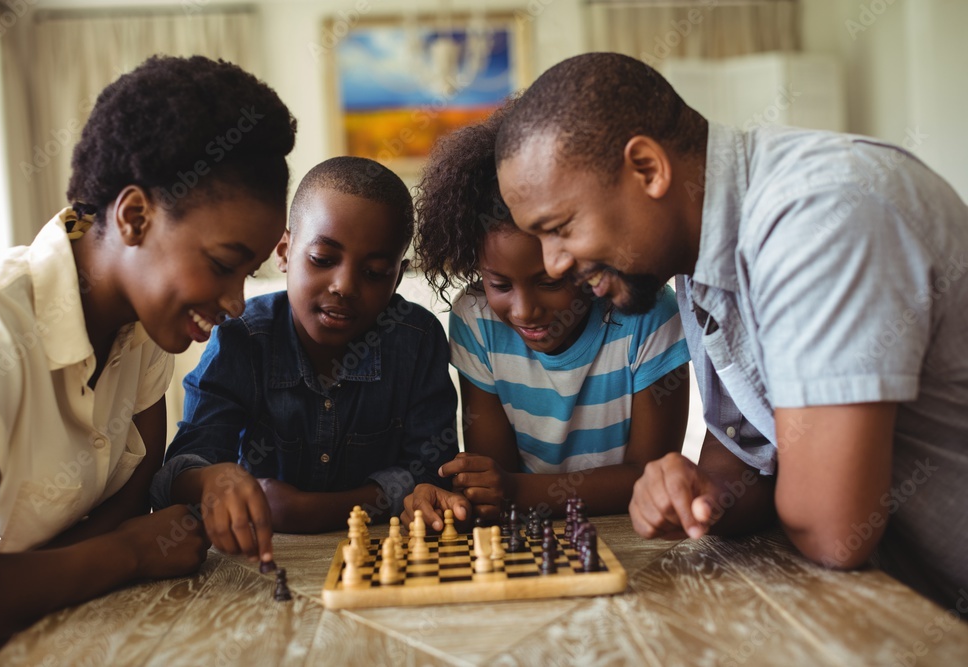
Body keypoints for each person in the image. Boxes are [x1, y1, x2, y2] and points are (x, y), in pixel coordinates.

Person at [493, 52, 968, 608]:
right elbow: (743, 457)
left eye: (561, 228)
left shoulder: (818, 217)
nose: (552, 264)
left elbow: (834, 531)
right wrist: (700, 494)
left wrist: (772, 489)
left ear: (647, 168)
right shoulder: (699, 260)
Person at [0, 55, 296, 649]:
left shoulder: (144, 332)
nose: (237, 302)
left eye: (248, 274)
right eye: (223, 265)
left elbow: (135, 491)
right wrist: (125, 553)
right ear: (135, 216)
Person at [402, 106, 690, 532]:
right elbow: (491, 476)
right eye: (500, 284)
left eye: (550, 282)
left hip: (631, 535)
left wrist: (517, 492)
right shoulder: (477, 319)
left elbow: (652, 477)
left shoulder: (647, 313)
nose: (524, 310)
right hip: (532, 539)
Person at [150, 156, 459, 543]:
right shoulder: (241, 338)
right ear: (283, 251)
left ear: (398, 276)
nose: (344, 285)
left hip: (383, 552)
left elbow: (434, 475)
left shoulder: (416, 339)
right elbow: (179, 475)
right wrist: (216, 481)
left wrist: (314, 511)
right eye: (323, 260)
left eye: (375, 272)